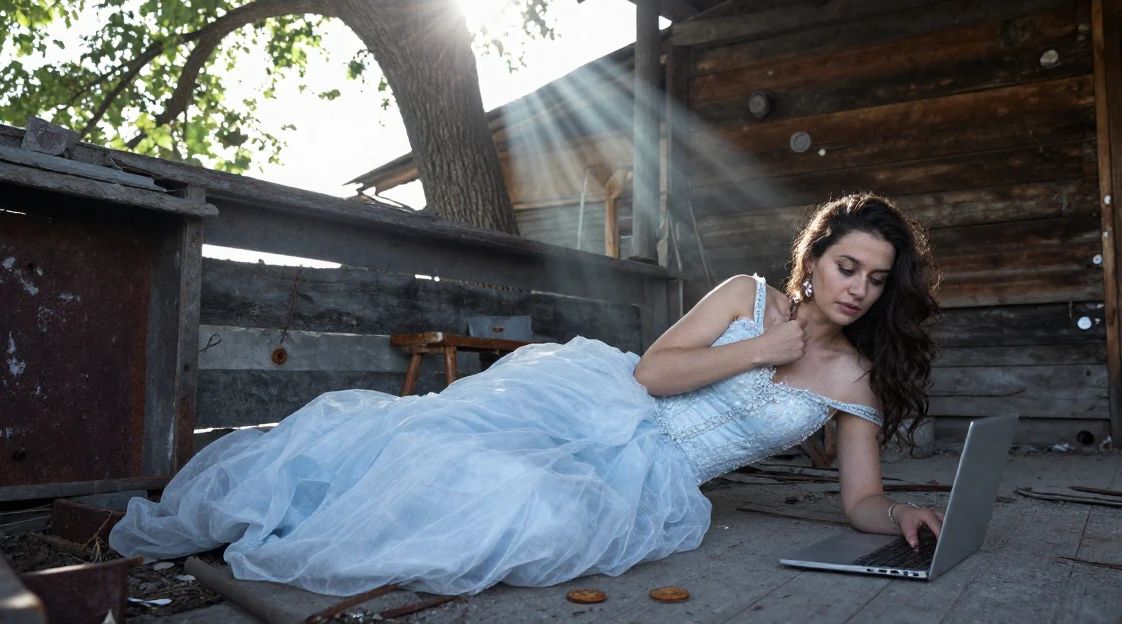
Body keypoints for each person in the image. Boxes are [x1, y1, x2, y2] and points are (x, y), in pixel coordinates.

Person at [110, 193, 943, 597]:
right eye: (846, 267)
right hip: (598, 401)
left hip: (650, 479)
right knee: (432, 438)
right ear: (815, 255)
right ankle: (284, 511)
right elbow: (653, 373)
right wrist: (764, 349)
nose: (859, 290)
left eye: (876, 279)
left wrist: (899, 516)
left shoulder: (852, 380)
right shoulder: (747, 297)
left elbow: (861, 498)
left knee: (515, 502)